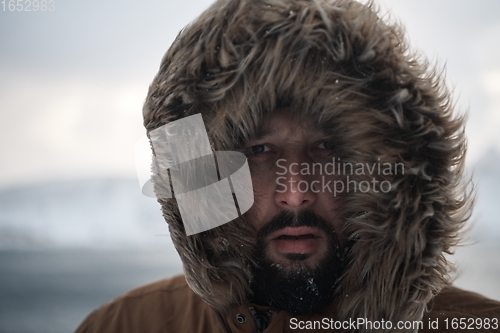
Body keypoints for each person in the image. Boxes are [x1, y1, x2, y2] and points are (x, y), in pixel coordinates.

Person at [75, 0, 500, 332]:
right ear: (204, 176)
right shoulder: (125, 326)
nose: (295, 192)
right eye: (259, 151)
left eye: (327, 147)